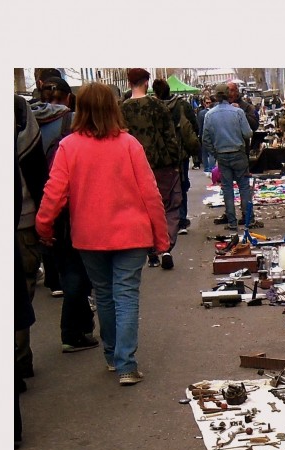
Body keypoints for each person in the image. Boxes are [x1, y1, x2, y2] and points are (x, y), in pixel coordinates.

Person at [35, 82, 170, 387]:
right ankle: (126, 364)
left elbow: (54, 192)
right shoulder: (129, 144)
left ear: (80, 109)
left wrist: (44, 225)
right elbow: (151, 194)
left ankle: (112, 356)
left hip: (89, 236)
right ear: (114, 108)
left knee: (104, 295)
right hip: (132, 235)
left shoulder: (69, 146)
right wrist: (161, 237)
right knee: (126, 296)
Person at [32, 78, 98, 354]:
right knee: (76, 273)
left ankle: (80, 327)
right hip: (69, 209)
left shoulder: (26, 120)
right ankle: (73, 332)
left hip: (33, 204)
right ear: (69, 98)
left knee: (66, 266)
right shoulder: (70, 126)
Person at [120, 68, 181, 270]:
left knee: (142, 209)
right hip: (160, 162)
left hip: (133, 166)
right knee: (166, 205)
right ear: (146, 82)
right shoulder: (156, 105)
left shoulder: (123, 109)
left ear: (129, 83)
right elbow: (169, 134)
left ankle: (151, 252)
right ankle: (164, 247)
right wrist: (175, 161)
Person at [30, 76, 75, 298]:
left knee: (39, 231)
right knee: (62, 235)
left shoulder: (24, 119)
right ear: (68, 97)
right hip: (60, 187)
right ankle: (61, 278)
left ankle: (49, 275)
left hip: (29, 189)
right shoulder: (71, 120)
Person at [16, 95, 48, 382]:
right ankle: (20, 357)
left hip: (24, 216)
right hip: (24, 218)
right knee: (21, 290)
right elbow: (37, 171)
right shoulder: (20, 112)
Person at [202, 82, 254, 231]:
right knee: (244, 187)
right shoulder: (237, 112)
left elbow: (205, 138)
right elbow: (248, 133)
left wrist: (215, 152)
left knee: (227, 189)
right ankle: (248, 219)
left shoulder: (209, 115)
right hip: (238, 153)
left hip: (222, 155)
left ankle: (232, 221)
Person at [152, 78, 199, 238]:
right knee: (182, 185)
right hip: (180, 153)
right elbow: (194, 126)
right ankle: (181, 219)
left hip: (160, 155)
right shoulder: (182, 105)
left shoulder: (153, 107)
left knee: (163, 188)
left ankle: (167, 221)